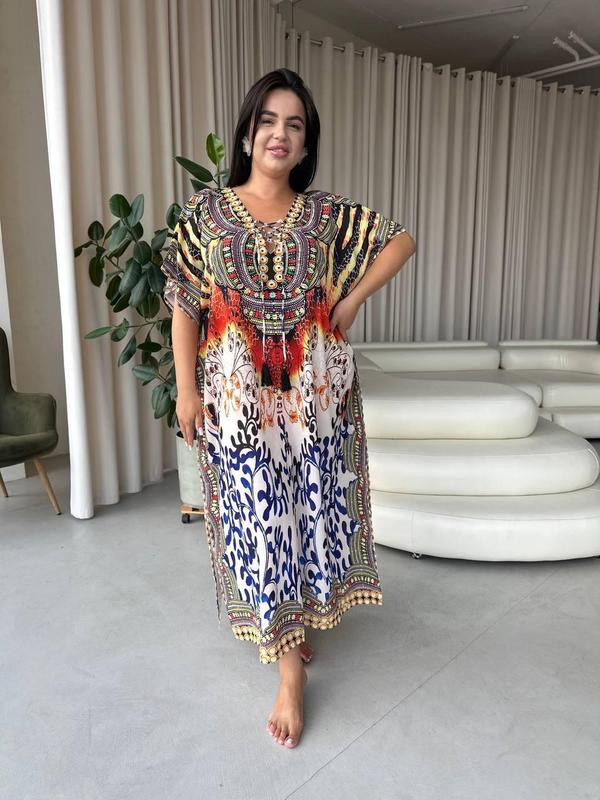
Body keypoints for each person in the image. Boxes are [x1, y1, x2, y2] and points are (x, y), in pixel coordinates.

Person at [161, 68, 416, 749]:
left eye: (294, 124)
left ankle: (291, 625)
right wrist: (186, 390)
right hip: (238, 400)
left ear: (306, 144)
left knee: (307, 514)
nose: (280, 134)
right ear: (248, 133)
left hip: (313, 401)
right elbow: (184, 303)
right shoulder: (206, 214)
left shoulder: (324, 215)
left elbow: (401, 241)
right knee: (261, 517)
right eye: (268, 120)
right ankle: (289, 673)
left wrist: (350, 300)